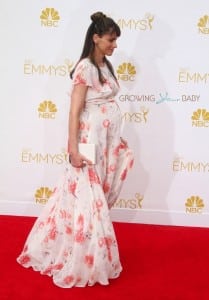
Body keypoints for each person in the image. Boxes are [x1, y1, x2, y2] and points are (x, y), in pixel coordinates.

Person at [17, 11, 134, 288]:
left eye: (116, 40)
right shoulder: (84, 68)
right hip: (88, 142)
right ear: (96, 38)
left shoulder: (105, 65)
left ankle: (83, 250)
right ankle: (84, 259)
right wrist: (73, 149)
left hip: (105, 142)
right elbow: (74, 111)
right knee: (87, 198)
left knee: (95, 197)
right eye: (111, 40)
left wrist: (116, 139)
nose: (115, 45)